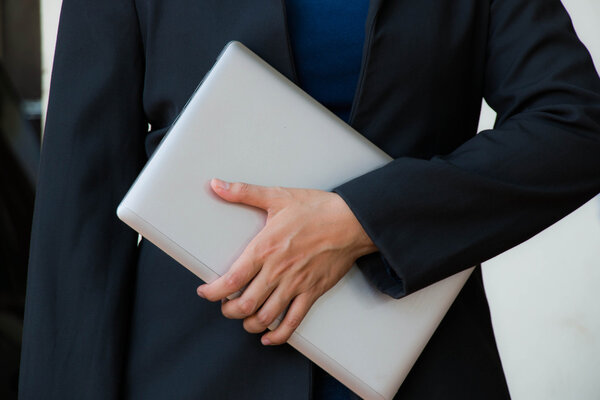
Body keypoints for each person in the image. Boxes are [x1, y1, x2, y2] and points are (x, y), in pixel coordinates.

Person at [19, 0, 600, 399]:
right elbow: (79, 211)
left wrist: (362, 219)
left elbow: (577, 125)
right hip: (188, 369)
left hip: (417, 366)